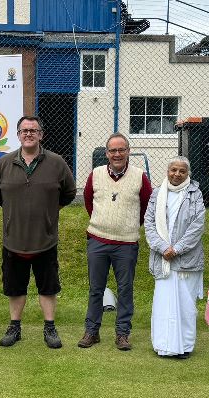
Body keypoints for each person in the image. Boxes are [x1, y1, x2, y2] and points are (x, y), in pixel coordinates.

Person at [0, 115, 76, 349]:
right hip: (13, 239)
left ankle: (50, 328)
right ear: (17, 135)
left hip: (45, 239)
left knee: (47, 287)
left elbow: (68, 193)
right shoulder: (4, 163)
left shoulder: (57, 163)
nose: (28, 134)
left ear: (41, 135)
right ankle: (14, 327)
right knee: (15, 286)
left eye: (33, 130)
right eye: (24, 130)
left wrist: (49, 211)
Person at [78, 133, 152, 351]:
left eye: (122, 150)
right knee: (95, 289)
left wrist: (128, 225)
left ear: (128, 151)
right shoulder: (96, 174)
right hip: (98, 240)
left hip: (126, 243)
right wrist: (102, 223)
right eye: (113, 150)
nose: (117, 154)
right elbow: (88, 200)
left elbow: (146, 206)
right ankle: (92, 331)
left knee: (125, 289)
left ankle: (122, 333)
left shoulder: (140, 176)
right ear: (107, 153)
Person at [144, 157, 205, 358]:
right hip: (163, 260)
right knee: (164, 305)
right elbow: (149, 223)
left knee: (185, 306)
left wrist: (177, 249)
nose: (177, 174)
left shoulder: (195, 194)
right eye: (173, 170)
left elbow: (198, 225)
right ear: (167, 171)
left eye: (182, 171)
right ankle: (163, 345)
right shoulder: (157, 193)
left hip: (186, 261)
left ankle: (184, 346)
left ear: (188, 174)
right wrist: (163, 248)